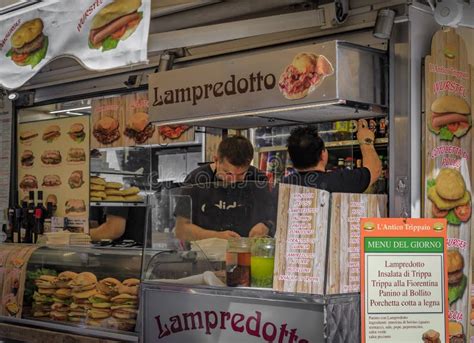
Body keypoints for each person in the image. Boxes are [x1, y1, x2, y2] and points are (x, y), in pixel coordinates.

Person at [174, 135, 275, 241]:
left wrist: (265, 226)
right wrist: (217, 236)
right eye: (228, 173)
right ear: (216, 160)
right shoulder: (196, 179)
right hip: (205, 253)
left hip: (246, 252)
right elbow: (181, 230)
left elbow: (272, 218)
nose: (233, 180)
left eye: (241, 174)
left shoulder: (258, 179)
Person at [282, 119, 382, 193]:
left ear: (291, 158)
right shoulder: (339, 181)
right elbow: (374, 170)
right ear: (323, 154)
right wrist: (366, 141)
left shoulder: (283, 185)